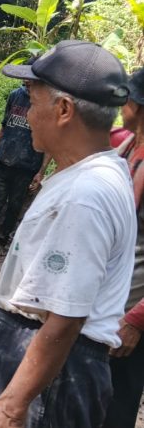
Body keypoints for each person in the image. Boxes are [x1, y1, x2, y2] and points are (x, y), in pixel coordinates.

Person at [0, 40, 135, 428]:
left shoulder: (87, 194)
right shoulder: (88, 176)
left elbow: (65, 318)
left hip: (49, 366)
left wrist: (12, 405)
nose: (28, 115)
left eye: (33, 101)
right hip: (34, 351)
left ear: (64, 110)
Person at [103, 68, 144, 428]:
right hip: (109, 308)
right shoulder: (127, 145)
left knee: (116, 405)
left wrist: (136, 320)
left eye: (127, 98)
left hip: (131, 315)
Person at [0, 81, 49, 254]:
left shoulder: (46, 102)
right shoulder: (15, 95)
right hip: (5, 160)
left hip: (28, 165)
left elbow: (48, 142)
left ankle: (0, 242)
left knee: (14, 207)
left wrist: (41, 171)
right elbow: (4, 126)